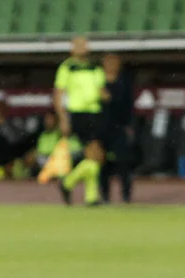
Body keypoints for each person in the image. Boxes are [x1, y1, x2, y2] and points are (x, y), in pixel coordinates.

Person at [52, 36, 108, 206]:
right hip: (78, 113)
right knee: (95, 154)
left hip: (95, 112)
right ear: (72, 49)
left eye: (84, 44)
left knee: (93, 156)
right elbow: (59, 93)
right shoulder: (67, 67)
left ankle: (89, 196)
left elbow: (101, 90)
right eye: (78, 45)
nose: (82, 47)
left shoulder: (95, 67)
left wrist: (106, 95)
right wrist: (63, 118)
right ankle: (69, 183)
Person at [100, 53, 135, 203]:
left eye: (115, 62)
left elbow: (128, 105)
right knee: (102, 164)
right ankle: (105, 195)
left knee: (123, 163)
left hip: (119, 127)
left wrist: (129, 125)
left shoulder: (124, 81)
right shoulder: (97, 81)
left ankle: (126, 195)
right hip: (101, 127)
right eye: (108, 62)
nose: (112, 64)